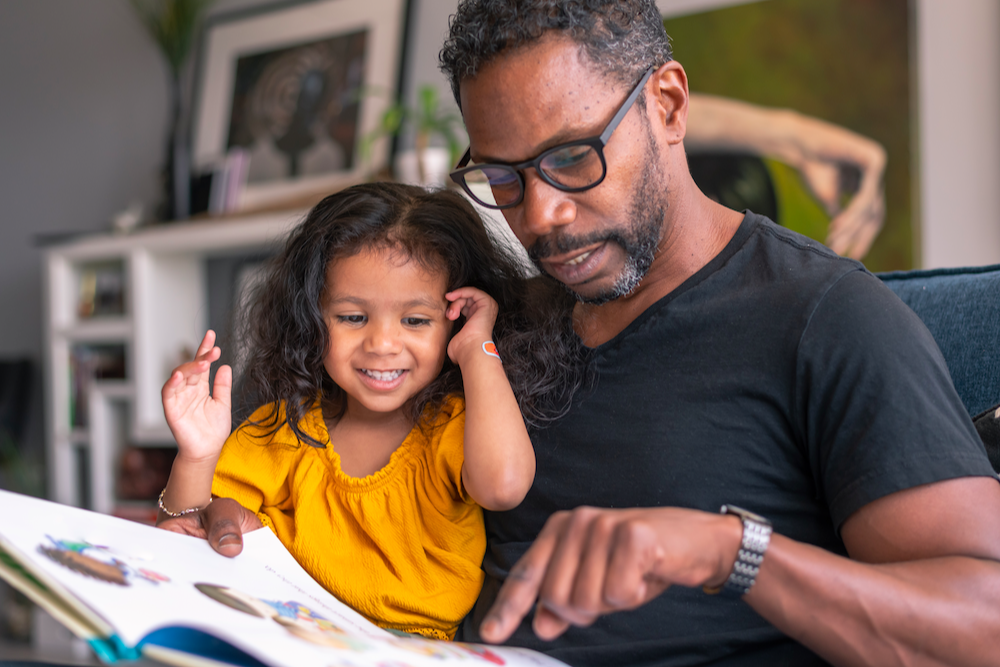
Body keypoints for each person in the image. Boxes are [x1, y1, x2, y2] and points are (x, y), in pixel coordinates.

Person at [434, 1, 1000, 666]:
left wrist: (730, 551)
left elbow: (984, 626)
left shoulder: (825, 317)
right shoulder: (494, 323)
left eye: (571, 156)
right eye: (502, 176)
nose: (541, 215)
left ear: (669, 106)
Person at [155, 182, 579, 640]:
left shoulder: (453, 426)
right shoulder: (283, 430)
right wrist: (197, 456)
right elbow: (182, 535)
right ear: (312, 320)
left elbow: (504, 487)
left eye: (415, 321)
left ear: (453, 320)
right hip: (289, 635)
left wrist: (478, 347)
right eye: (353, 318)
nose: (381, 344)